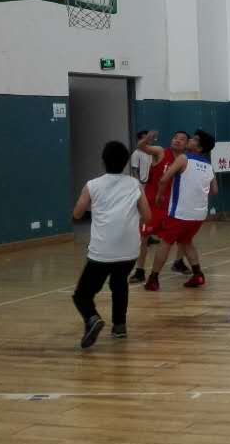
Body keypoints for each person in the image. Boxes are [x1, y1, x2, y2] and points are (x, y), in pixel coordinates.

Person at [71, 141, 151, 348]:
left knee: (81, 295)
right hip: (130, 251)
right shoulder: (135, 184)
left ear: (103, 161)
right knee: (119, 284)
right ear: (125, 162)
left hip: (102, 251)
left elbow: (77, 213)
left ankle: (92, 318)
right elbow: (148, 216)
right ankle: (119, 326)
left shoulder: (93, 185)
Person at [144, 130, 218, 291]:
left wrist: (159, 195)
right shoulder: (208, 165)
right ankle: (198, 274)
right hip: (199, 215)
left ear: (199, 147)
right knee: (186, 242)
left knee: (165, 243)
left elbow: (164, 179)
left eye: (194, 139)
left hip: (180, 213)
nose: (190, 140)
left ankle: (153, 279)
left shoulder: (183, 158)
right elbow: (214, 190)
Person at [130, 130, 189, 283]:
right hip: (153, 204)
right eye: (175, 137)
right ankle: (139, 271)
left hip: (173, 205)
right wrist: (147, 140)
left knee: (184, 236)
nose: (177, 140)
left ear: (187, 144)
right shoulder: (161, 152)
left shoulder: (186, 160)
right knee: (144, 237)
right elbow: (141, 147)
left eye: (182, 139)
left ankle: (178, 262)